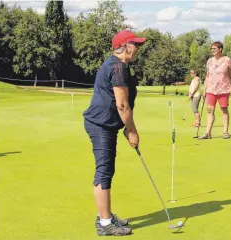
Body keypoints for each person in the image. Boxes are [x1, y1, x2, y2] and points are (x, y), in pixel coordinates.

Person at [83, 29, 146, 236]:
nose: (138, 48)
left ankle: (106, 214)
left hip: (106, 124)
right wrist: (132, 131)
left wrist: (126, 129)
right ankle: (104, 223)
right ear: (126, 46)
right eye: (136, 44)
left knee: (107, 169)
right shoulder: (118, 67)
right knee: (104, 170)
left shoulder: (119, 65)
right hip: (101, 124)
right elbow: (122, 105)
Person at [198, 41, 231, 140]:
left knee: (224, 110)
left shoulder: (227, 60)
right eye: (211, 49)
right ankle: (208, 133)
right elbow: (207, 76)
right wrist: (204, 90)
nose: (212, 50)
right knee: (210, 110)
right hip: (211, 89)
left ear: (220, 49)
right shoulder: (209, 61)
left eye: (214, 49)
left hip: (223, 89)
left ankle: (225, 132)